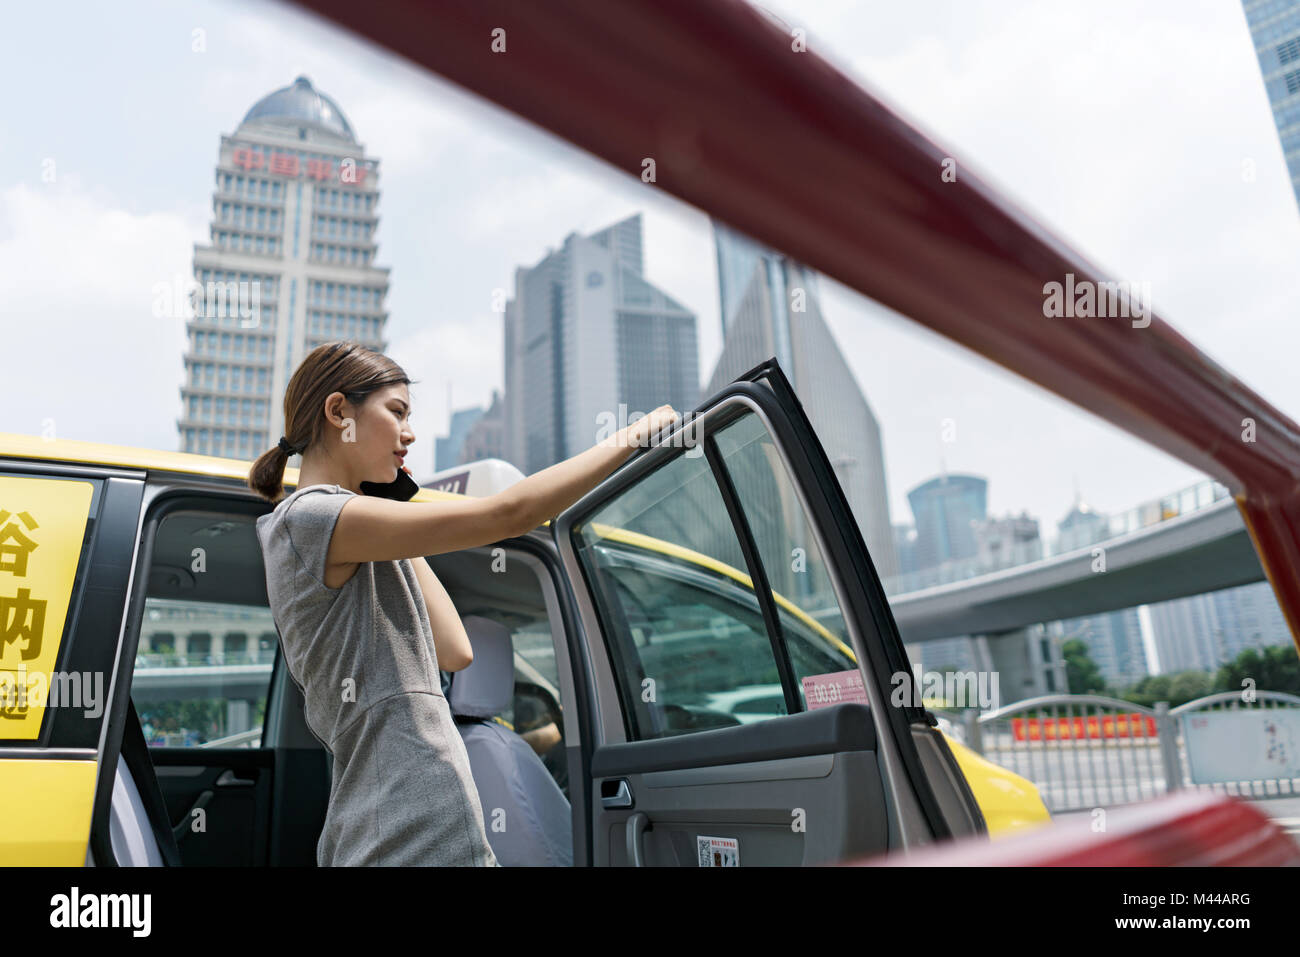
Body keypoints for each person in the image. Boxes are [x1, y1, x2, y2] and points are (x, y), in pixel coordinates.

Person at [247, 340, 677, 866]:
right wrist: (634, 436)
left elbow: (454, 650)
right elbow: (508, 515)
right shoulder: (310, 517)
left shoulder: (353, 531)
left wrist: (392, 519)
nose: (409, 434)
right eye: (397, 413)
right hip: (402, 837)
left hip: (421, 832)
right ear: (340, 412)